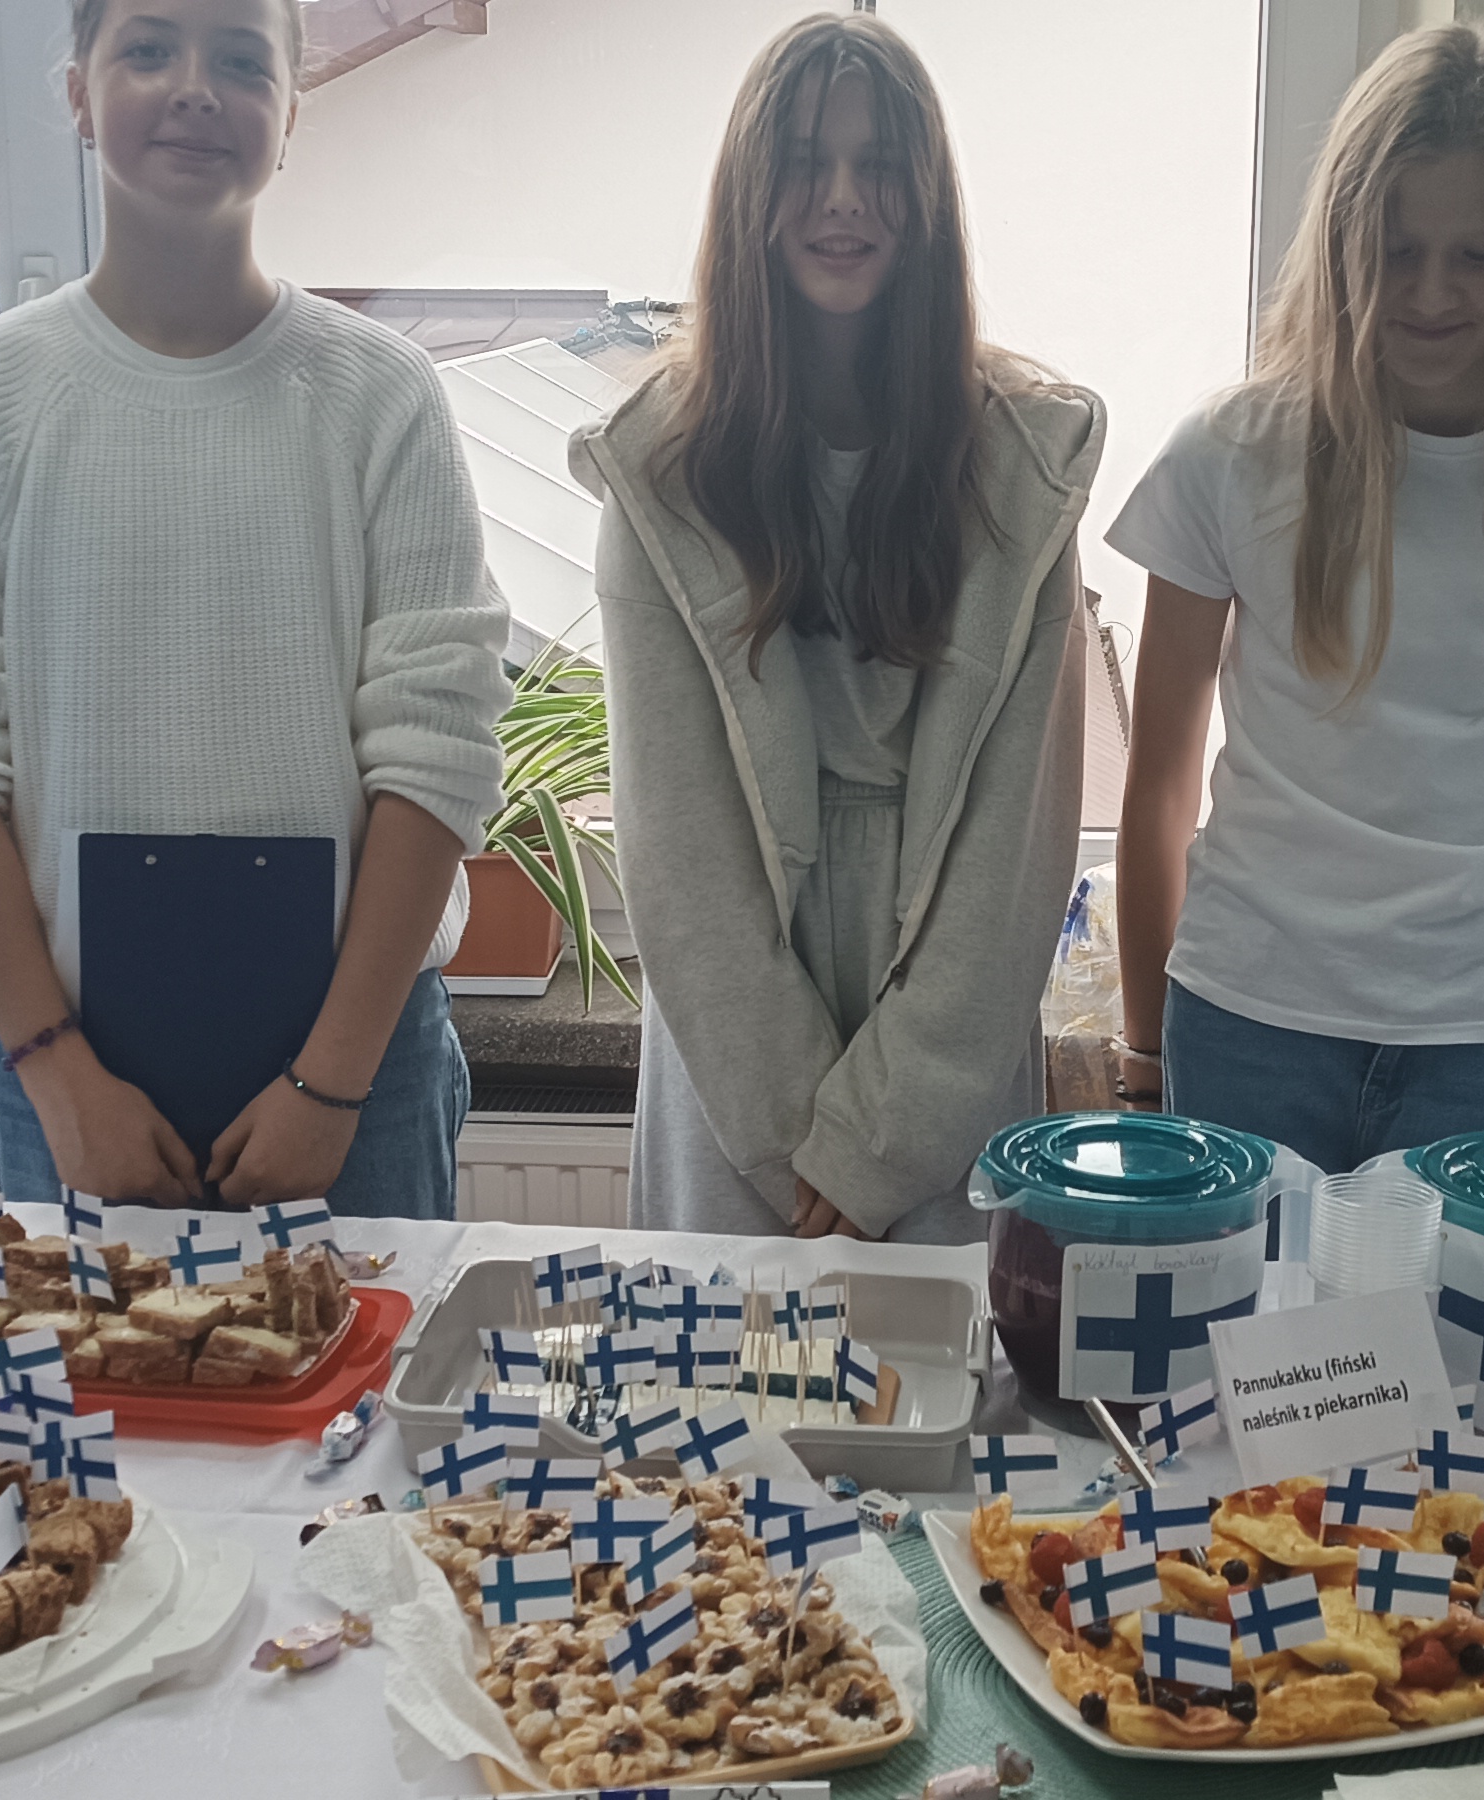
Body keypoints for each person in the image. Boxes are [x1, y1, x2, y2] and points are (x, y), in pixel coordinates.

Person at [0, 0, 509, 1217]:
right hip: (69, 1065)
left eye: (242, 60)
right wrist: (58, 1075)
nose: (195, 87)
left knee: (371, 1353)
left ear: (292, 114)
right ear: (77, 92)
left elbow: (438, 748)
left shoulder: (383, 394)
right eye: (149, 49)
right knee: (88, 1356)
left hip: (357, 1067)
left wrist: (330, 1082)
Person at [1106, 22, 1484, 1171]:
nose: (1432, 294)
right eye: (1395, 251)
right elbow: (1159, 784)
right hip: (1243, 1017)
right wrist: (1144, 1062)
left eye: (1479, 254)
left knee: (1462, 1306)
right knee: (1240, 1301)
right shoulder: (1228, 454)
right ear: (1340, 242)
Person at [585, 13, 1101, 1246]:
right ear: (747, 194)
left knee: (939, 1370)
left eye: (878, 166)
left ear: (928, 200)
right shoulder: (659, 473)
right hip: (732, 1060)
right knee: (720, 1368)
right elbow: (676, 849)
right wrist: (791, 1140)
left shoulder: (1020, 470)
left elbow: (1017, 850)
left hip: (947, 1060)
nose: (842, 199)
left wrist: (884, 1139)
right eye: (806, 162)